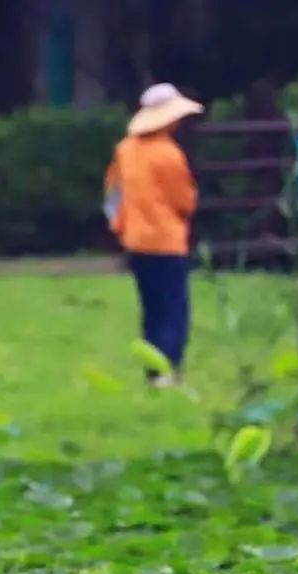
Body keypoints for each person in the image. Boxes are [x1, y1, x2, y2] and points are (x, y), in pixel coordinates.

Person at [104, 83, 204, 387]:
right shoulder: (169, 154)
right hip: (167, 241)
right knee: (174, 309)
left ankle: (152, 370)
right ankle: (168, 371)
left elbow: (113, 195)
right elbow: (184, 200)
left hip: (135, 241)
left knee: (151, 310)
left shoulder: (125, 150)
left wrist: (120, 227)